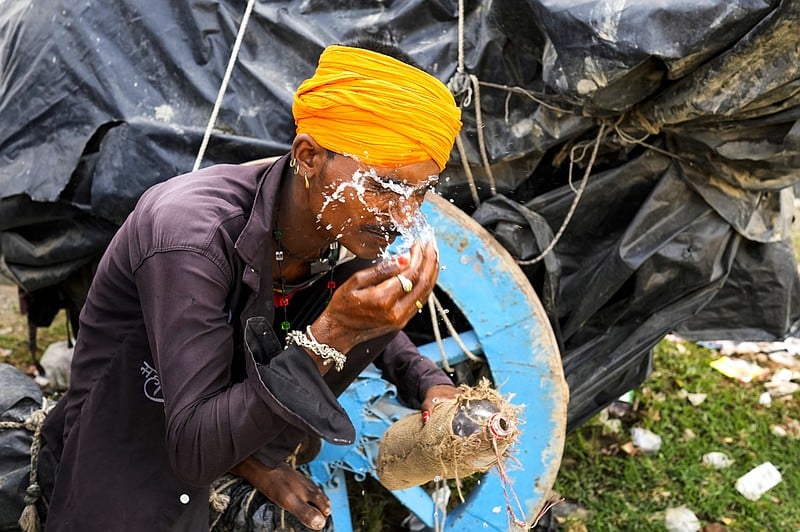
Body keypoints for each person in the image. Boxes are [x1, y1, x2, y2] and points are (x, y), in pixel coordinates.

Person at [38, 40, 463, 530]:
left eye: (420, 192)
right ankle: (246, 461)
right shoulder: (190, 234)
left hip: (230, 429)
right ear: (308, 157)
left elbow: (362, 304)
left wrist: (429, 381)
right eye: (384, 186)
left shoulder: (337, 217)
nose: (404, 215)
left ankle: (249, 460)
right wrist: (333, 334)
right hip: (138, 436)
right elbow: (194, 451)